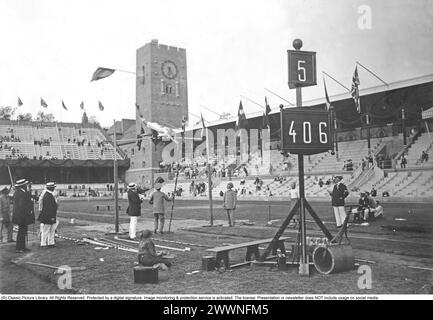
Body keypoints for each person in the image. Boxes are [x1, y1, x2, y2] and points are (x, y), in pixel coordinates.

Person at [12, 179, 35, 253]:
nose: (26, 185)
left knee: (23, 232)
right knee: (21, 232)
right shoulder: (20, 193)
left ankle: (22, 247)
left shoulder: (21, 192)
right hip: (21, 216)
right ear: (22, 185)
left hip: (22, 215)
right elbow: (22, 206)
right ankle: (19, 248)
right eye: (25, 184)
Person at [38, 182, 59, 247]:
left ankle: (51, 243)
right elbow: (49, 208)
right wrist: (52, 217)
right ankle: (43, 243)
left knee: (51, 230)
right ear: (51, 188)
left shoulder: (48, 195)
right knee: (46, 230)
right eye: (53, 187)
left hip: (50, 215)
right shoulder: (47, 196)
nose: (54, 189)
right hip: (48, 216)